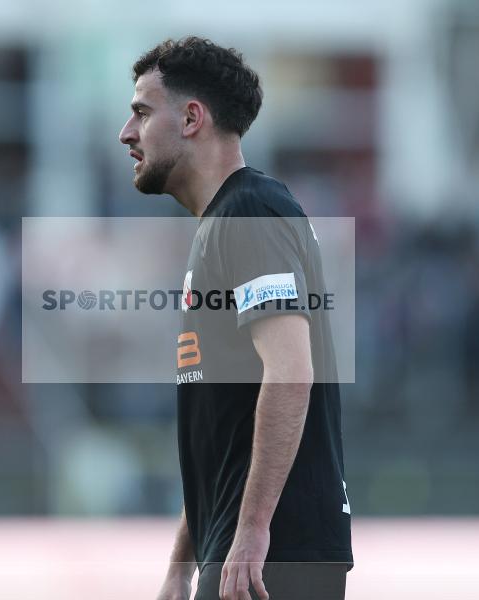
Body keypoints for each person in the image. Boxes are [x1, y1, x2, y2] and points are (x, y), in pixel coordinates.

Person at [118, 37, 352, 600]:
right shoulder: (225, 222)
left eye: (142, 113)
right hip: (245, 552)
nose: (127, 134)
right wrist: (185, 557)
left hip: (271, 555)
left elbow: (291, 372)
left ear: (193, 118)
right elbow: (224, 431)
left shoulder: (250, 210)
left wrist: (250, 535)